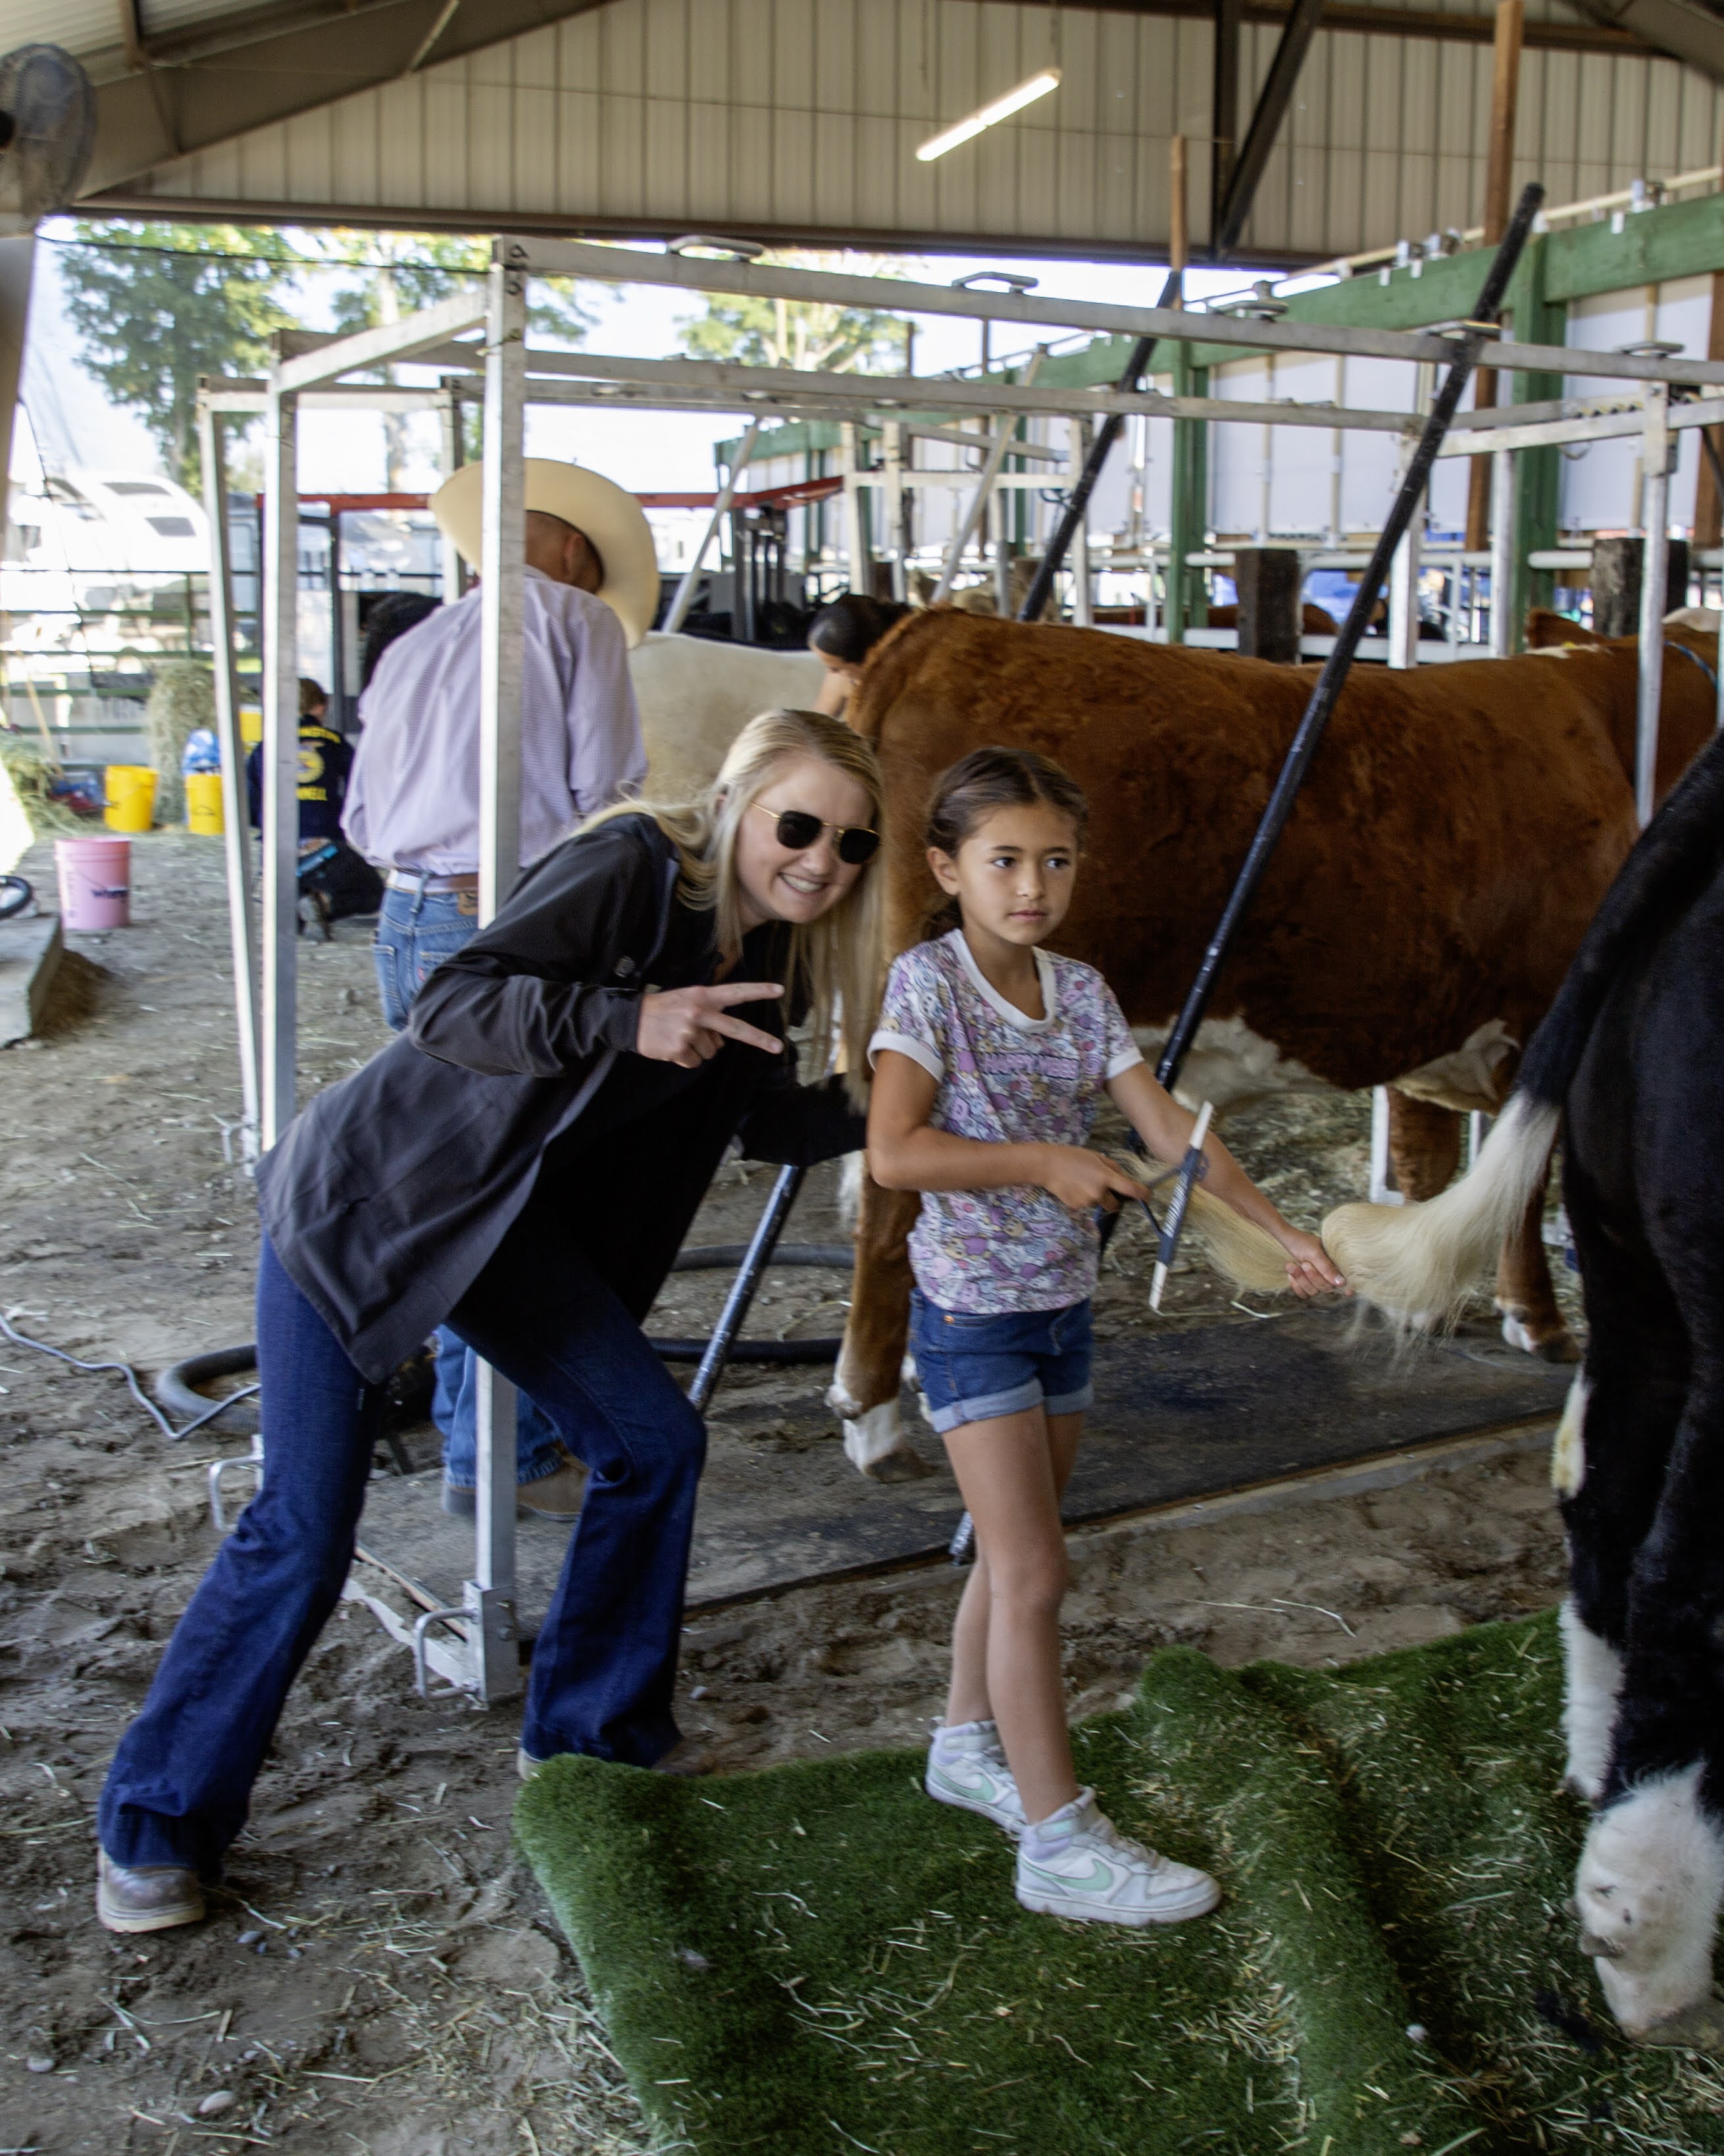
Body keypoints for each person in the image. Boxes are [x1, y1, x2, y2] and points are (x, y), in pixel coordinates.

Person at [95, 708, 888, 1934]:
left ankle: (587, 1738)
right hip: (373, 1204)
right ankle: (152, 1828)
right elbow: (452, 1000)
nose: (822, 860)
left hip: (504, 1231)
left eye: (852, 843)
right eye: (800, 826)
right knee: (306, 1525)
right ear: (738, 800)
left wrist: (920, 1097)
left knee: (654, 1443)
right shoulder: (633, 865)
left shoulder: (774, 955)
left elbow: (770, 1123)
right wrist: (626, 1017)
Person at [866, 746, 1347, 1930]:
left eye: (1057, 861)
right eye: (1004, 861)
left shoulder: (1078, 993)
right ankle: (1057, 1841)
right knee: (1035, 1571)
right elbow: (894, 1152)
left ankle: (964, 1745)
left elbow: (1174, 1133)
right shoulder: (926, 987)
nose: (1033, 885)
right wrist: (1047, 1160)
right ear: (947, 868)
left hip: (1061, 1305)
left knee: (1010, 1555)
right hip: (973, 1316)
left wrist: (1282, 1231)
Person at [343, 461, 661, 1519]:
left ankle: (473, 1441)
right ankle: (502, 1460)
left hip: (404, 913)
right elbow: (608, 799)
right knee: (511, 1192)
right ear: (572, 549)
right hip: (499, 917)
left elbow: (357, 820)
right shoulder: (577, 622)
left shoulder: (416, 644)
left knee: (444, 1179)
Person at [807, 593, 911, 715]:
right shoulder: (842, 678)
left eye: (835, 669)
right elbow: (814, 722)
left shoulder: (911, 681)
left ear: (869, 660)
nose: (830, 673)